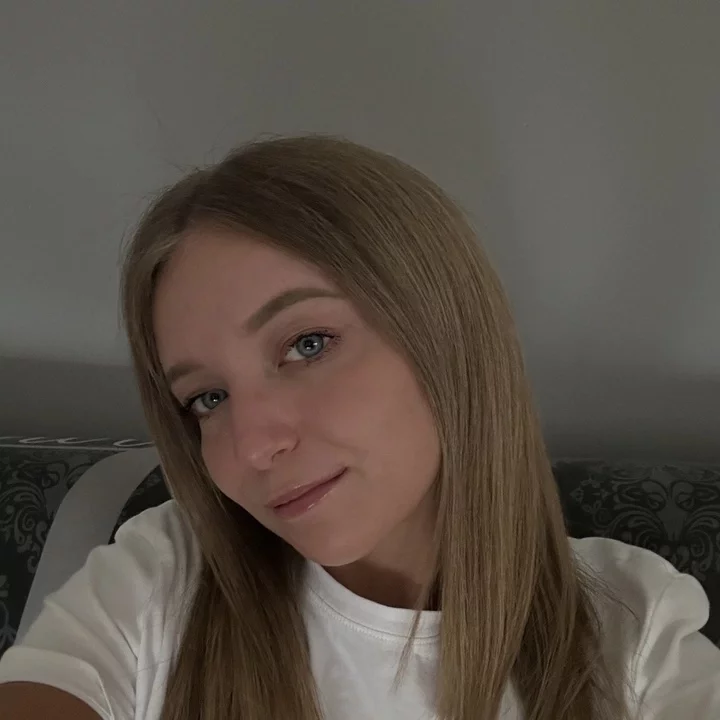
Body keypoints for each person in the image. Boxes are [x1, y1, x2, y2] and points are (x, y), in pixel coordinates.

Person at [1, 136, 718, 720]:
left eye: (307, 344)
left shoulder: (630, 631)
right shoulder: (165, 578)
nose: (255, 444)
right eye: (208, 398)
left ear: (446, 332)